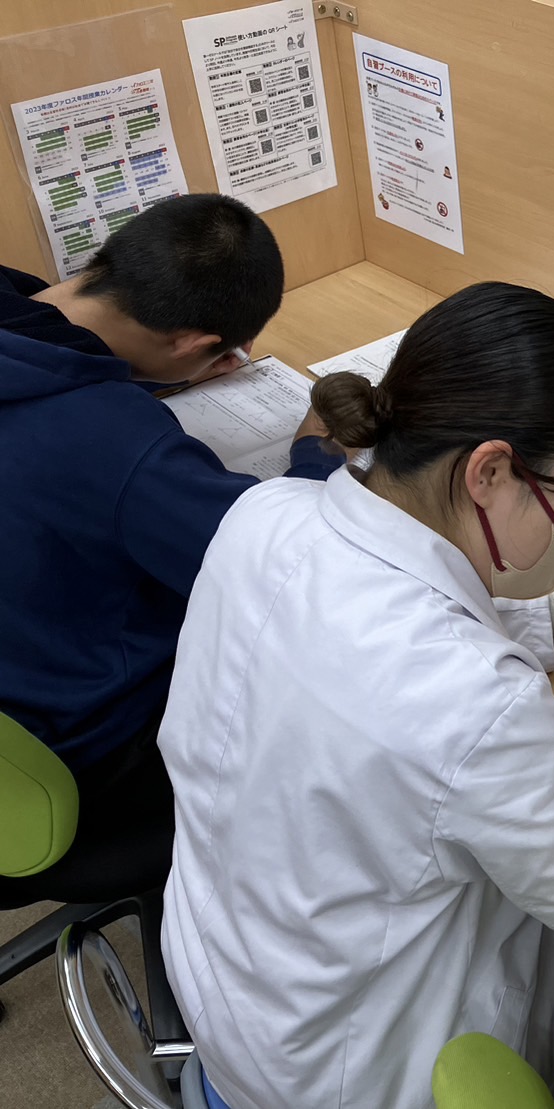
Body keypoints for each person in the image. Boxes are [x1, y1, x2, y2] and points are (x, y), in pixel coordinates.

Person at [157, 282, 554, 1109]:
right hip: (340, 1073)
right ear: (490, 472)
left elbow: (367, 622)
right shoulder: (474, 699)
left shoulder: (265, 515)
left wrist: (550, 612)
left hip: (223, 985)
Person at [0, 195, 337, 905]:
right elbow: (284, 565)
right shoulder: (117, 444)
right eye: (217, 350)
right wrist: (317, 454)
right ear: (192, 343)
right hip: (81, 762)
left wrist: (152, 368)